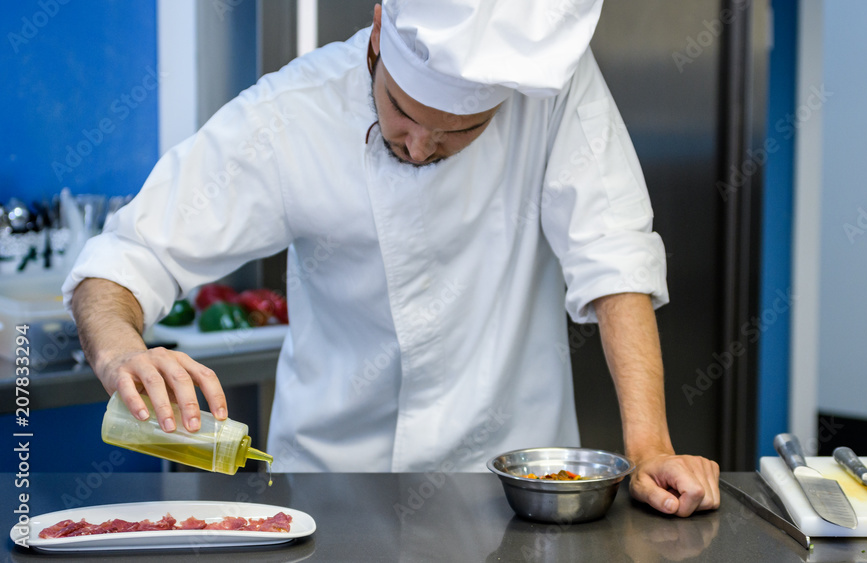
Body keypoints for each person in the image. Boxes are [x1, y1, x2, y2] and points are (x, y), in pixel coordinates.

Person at [64, 0, 720, 517]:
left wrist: (650, 446)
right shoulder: (291, 114)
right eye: (401, 114)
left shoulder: (552, 90)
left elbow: (614, 256)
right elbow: (125, 255)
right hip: (329, 495)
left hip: (512, 497)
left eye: (457, 132)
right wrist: (122, 350)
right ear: (378, 33)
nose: (418, 146)